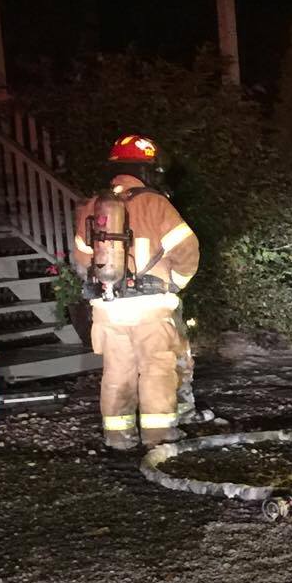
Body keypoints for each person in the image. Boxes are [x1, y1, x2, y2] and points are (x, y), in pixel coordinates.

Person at [73, 135, 200, 454]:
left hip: (108, 307)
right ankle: (159, 440)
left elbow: (80, 258)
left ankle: (117, 436)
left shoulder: (91, 207)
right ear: (147, 170)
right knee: (157, 368)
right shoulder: (155, 203)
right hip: (151, 308)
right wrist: (176, 283)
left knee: (117, 372)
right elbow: (187, 250)